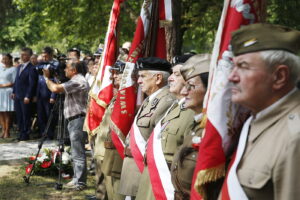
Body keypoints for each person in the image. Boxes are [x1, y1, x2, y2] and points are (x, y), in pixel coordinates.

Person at [218, 23, 300, 200]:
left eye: (244, 66)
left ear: (279, 76)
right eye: (234, 66)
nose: (232, 76)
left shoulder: (295, 135)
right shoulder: (255, 119)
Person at [135, 55, 195, 200]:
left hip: (167, 185)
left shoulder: (192, 112)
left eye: (177, 74)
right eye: (172, 73)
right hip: (152, 181)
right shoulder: (174, 107)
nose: (170, 78)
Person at [119, 57, 175, 199]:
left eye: (143, 76)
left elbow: (156, 141)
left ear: (158, 78)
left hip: (144, 170)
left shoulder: (166, 101)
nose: (138, 81)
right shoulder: (150, 99)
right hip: (134, 168)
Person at [43, 59, 89, 191]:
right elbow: (60, 86)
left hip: (78, 119)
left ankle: (80, 182)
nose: (64, 70)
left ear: (74, 70)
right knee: (75, 151)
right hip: (74, 119)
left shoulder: (78, 81)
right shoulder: (75, 80)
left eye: (67, 68)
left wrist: (47, 78)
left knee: (78, 151)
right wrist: (53, 78)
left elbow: (56, 88)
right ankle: (77, 179)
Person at [170, 54, 211, 200]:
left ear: (210, 89)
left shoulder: (215, 131)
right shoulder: (196, 126)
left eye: (191, 86)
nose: (183, 91)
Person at [94, 60, 126, 200]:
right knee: (102, 186)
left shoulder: (126, 98)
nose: (113, 77)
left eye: (117, 73)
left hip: (112, 151)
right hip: (103, 147)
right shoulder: (116, 96)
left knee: (113, 190)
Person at [12, 47, 38, 141]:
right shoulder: (19, 67)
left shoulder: (32, 68)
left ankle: (26, 134)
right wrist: (14, 91)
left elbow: (32, 84)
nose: (22, 56)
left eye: (25, 54)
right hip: (18, 95)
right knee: (19, 115)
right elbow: (16, 80)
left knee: (26, 115)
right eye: (21, 54)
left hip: (25, 96)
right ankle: (21, 133)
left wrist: (28, 96)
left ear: (30, 56)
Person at [36, 47, 59, 139]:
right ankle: (43, 133)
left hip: (49, 94)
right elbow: (38, 72)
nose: (44, 58)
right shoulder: (41, 64)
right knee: (41, 115)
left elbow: (56, 81)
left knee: (49, 115)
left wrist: (53, 96)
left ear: (50, 55)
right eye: (43, 56)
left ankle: (50, 134)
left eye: (46, 56)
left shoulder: (55, 64)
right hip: (40, 94)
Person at [0, 53, 17, 138]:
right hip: (0, 92)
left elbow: (14, 82)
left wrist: (2, 86)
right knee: (1, 112)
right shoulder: (1, 68)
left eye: (6, 59)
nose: (4, 60)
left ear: (10, 59)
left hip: (8, 91)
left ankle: (7, 131)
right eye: (3, 59)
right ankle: (3, 130)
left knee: (7, 112)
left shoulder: (14, 69)